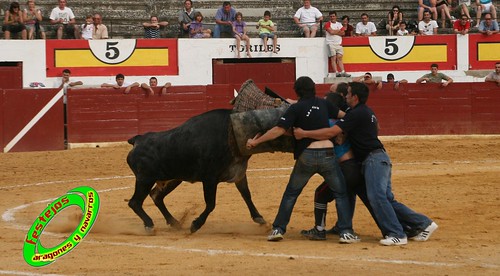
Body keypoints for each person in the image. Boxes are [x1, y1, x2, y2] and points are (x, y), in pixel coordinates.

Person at [294, 82, 439, 246]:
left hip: (373, 159)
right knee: (385, 199)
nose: (346, 96)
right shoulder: (364, 111)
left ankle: (398, 233)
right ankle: (421, 225)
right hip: (376, 158)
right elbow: (376, 126)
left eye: (348, 94)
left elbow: (332, 132)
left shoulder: (355, 113)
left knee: (377, 197)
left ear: (354, 97)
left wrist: (304, 133)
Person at [246, 76, 359, 244]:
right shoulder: (324, 103)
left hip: (307, 155)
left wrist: (256, 141)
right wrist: (341, 133)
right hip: (328, 153)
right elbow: (346, 118)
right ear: (313, 88)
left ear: (297, 92)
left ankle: (278, 228)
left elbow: (278, 129)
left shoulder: (296, 108)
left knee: (291, 194)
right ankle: (346, 232)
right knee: (341, 194)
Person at [325, 11, 350, 78]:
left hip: (338, 43)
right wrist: (338, 31)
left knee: (339, 57)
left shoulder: (339, 24)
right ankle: (336, 72)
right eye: (331, 16)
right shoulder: (327, 24)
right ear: (329, 17)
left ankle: (342, 71)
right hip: (331, 43)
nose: (332, 17)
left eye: (333, 16)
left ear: (336, 16)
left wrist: (334, 31)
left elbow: (343, 33)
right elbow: (331, 32)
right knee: (333, 58)